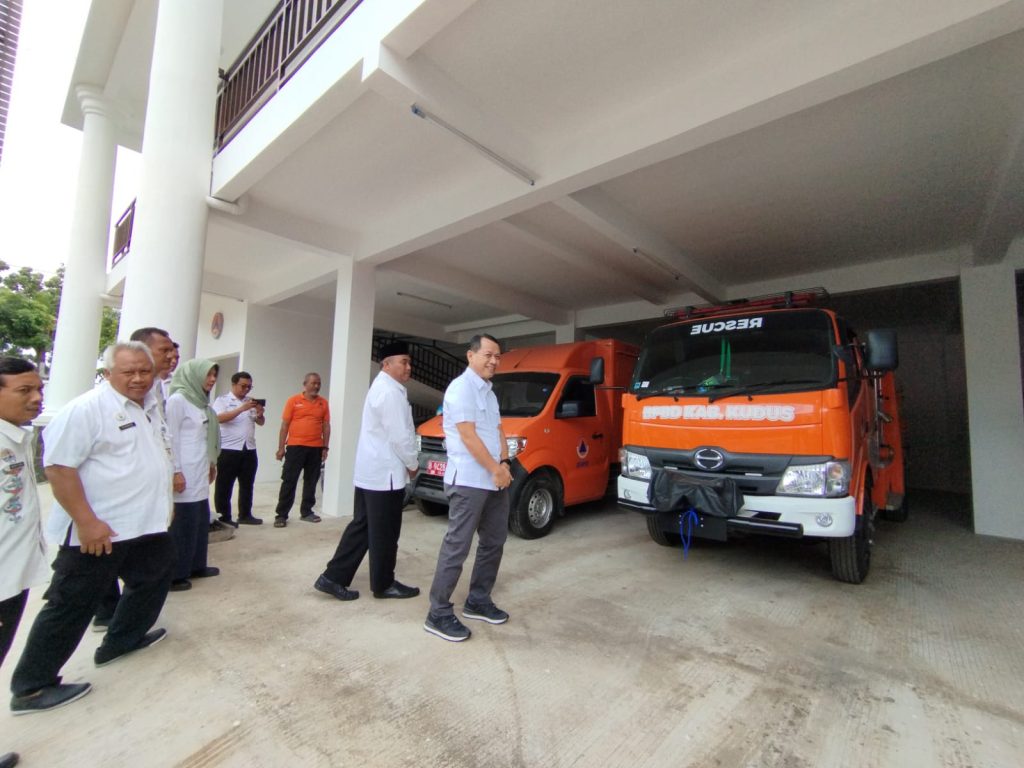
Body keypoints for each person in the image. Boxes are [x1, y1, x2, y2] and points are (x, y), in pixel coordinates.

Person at [9, 342, 173, 714]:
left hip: (145, 525)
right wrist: (87, 521)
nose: (137, 378)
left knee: (154, 576)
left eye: (144, 371)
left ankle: (122, 640)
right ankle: (32, 687)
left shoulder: (146, 406)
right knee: (71, 603)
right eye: (128, 371)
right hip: (100, 530)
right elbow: (59, 468)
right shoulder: (86, 409)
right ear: (108, 373)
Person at [424, 334, 513, 642]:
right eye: (488, 354)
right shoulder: (461, 389)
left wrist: (504, 463)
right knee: (457, 546)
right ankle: (438, 613)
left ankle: (478, 599)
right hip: (468, 481)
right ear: (470, 355)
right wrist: (495, 470)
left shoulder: (489, 392)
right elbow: (468, 436)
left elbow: (499, 430)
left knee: (494, 541)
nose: (493, 361)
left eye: (498, 356)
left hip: (493, 479)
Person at [315, 342, 420, 602]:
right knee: (385, 532)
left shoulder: (384, 387)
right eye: (402, 361)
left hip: (371, 472)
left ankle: (333, 577)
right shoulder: (390, 393)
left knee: (362, 527)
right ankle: (384, 585)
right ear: (386, 364)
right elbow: (400, 436)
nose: (408, 366)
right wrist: (413, 463)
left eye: (409, 362)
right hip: (385, 475)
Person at [92, 326, 177, 631]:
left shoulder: (154, 395)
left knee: (149, 569)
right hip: (108, 508)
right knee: (90, 578)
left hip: (145, 505)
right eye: (164, 350)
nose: (172, 356)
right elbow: (60, 467)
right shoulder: (92, 408)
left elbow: (159, 441)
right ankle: (108, 617)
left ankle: (121, 631)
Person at [0, 358, 50, 762]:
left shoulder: (16, 437)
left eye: (38, 390)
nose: (36, 399)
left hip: (13, 576)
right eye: (24, 391)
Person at [166, 360, 221, 591]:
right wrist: (175, 471)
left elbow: (204, 438)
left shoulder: (200, 403)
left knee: (199, 520)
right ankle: (176, 574)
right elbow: (170, 438)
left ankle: (197, 565)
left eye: (214, 375)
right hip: (184, 470)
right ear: (194, 375)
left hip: (199, 468)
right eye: (208, 375)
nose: (211, 380)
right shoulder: (178, 401)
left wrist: (211, 462)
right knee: (183, 524)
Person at [273, 372, 330, 528]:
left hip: (316, 448)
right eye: (313, 383)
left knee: (311, 481)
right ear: (305, 384)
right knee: (289, 480)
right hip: (295, 447)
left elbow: (326, 426)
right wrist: (280, 448)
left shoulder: (323, 403)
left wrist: (325, 446)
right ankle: (281, 515)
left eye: (319, 383)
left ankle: (306, 511)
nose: (316, 386)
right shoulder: (293, 401)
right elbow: (284, 425)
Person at [212, 372, 265, 526]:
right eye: (243, 386)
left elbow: (260, 422)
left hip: (248, 448)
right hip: (229, 449)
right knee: (224, 485)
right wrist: (241, 409)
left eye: (249, 386)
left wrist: (260, 414)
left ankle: (245, 514)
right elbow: (218, 418)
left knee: (247, 483)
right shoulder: (223, 400)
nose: (246, 389)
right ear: (234, 384)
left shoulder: (251, 402)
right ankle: (224, 517)